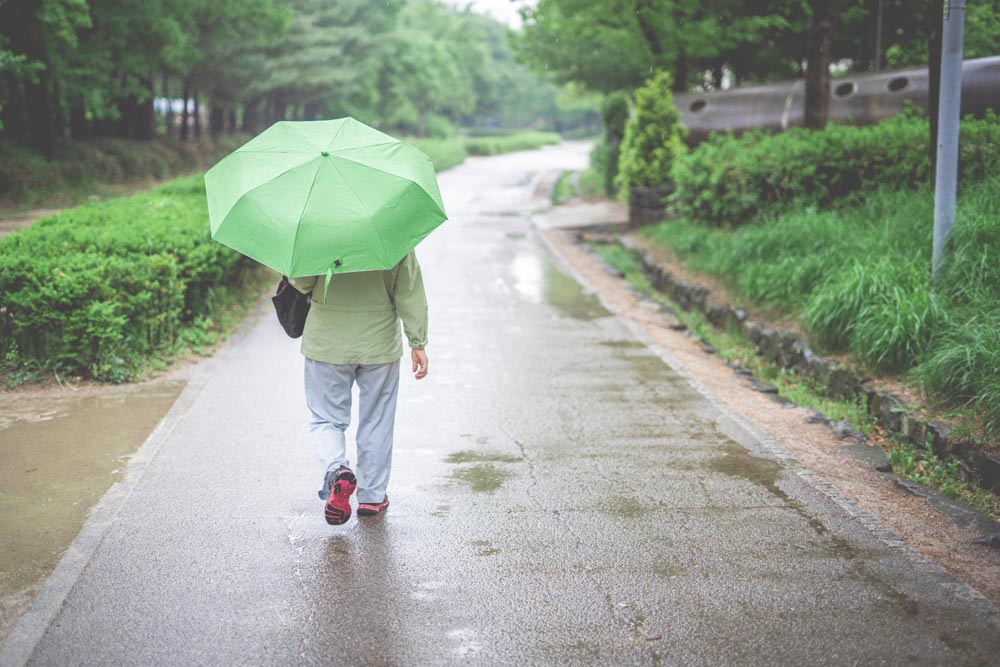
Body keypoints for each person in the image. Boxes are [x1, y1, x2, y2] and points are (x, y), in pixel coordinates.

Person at [290, 250, 428, 525]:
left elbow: (301, 282)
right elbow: (408, 291)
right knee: (377, 419)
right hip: (379, 344)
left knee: (327, 419)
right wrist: (418, 341)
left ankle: (336, 470)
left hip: (327, 343)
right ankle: (372, 496)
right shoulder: (393, 235)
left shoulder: (318, 233)